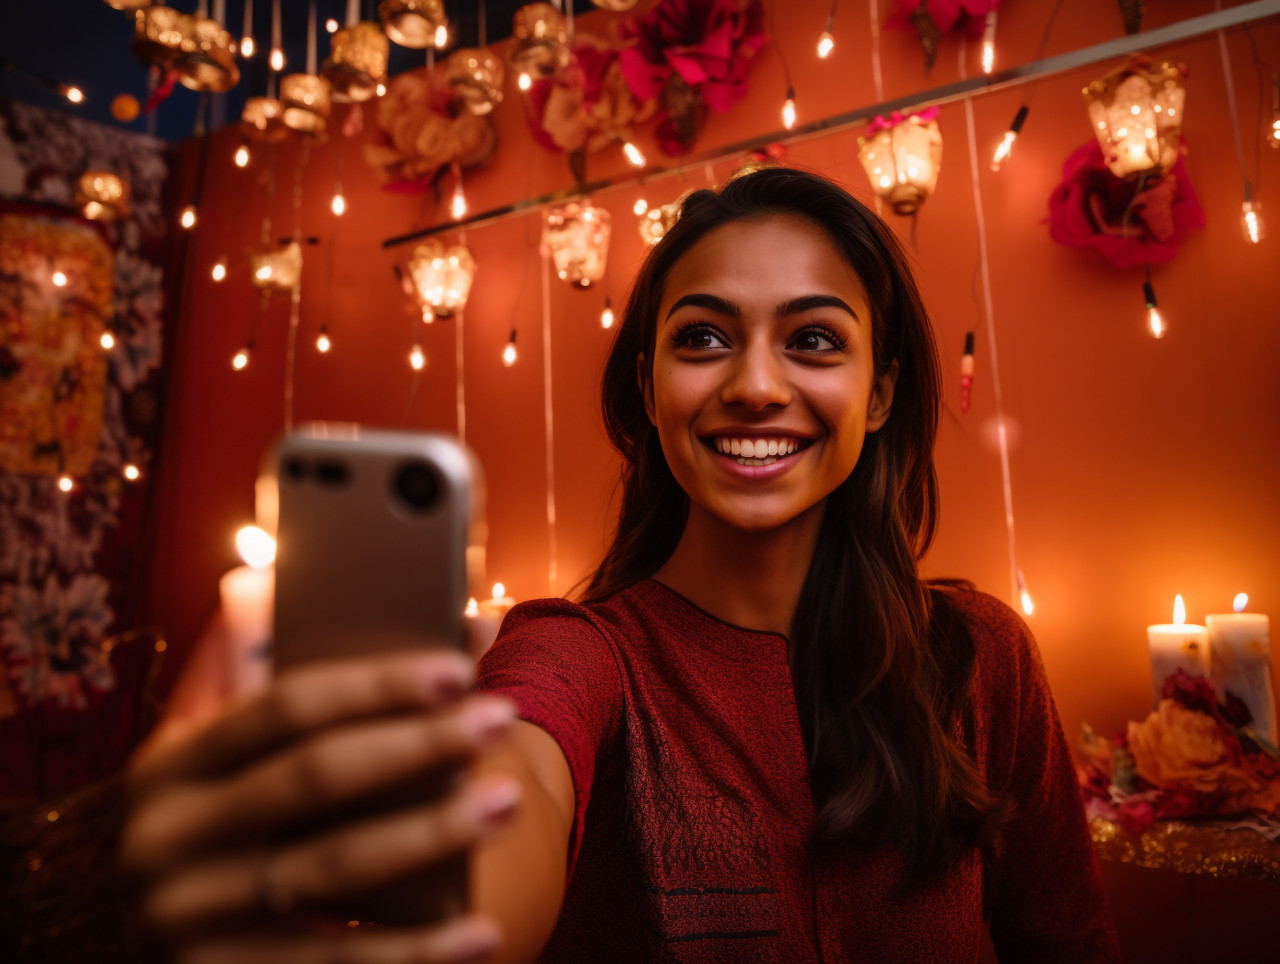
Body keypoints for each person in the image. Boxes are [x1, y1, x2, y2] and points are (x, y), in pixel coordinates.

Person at [120, 168, 1121, 962]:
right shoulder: (575, 656)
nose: (755, 385)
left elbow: (1067, 946)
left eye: (813, 339)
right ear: (648, 387)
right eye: (703, 339)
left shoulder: (979, 654)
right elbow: (517, 778)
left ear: (880, 392)